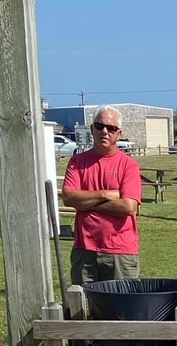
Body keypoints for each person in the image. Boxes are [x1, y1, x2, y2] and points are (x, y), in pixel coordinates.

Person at [61, 105, 143, 283]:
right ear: (92, 129)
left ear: (119, 134)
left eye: (111, 128)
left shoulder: (129, 165)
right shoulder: (77, 162)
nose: (105, 131)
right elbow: (68, 197)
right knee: (82, 307)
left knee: (122, 308)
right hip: (85, 250)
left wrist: (85, 202)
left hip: (120, 253)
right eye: (99, 126)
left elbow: (129, 207)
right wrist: (106, 194)